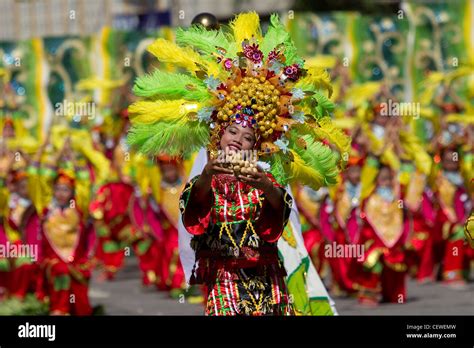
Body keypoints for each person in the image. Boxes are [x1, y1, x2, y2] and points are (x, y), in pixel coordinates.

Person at [127, 12, 347, 315]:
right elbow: (193, 219)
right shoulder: (207, 169)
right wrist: (206, 177)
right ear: (219, 135)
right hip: (226, 280)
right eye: (231, 131)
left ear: (255, 144)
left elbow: (275, 225)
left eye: (245, 137)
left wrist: (264, 185)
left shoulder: (264, 171)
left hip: (268, 279)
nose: (236, 140)